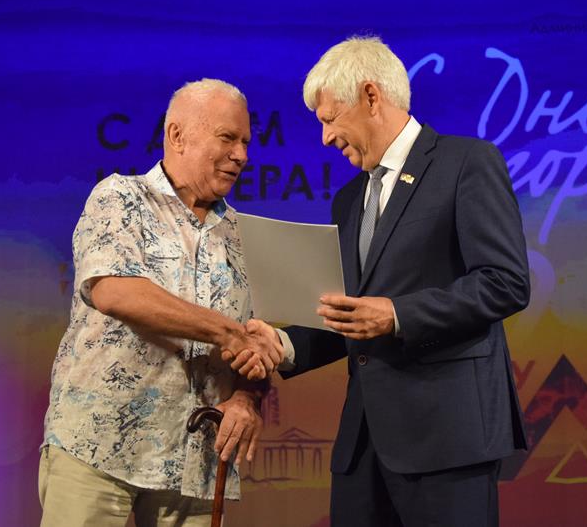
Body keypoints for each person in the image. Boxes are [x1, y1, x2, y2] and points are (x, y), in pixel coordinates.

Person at [253, 36, 530, 526]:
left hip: (447, 439)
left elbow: (504, 281)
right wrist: (283, 344)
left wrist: (399, 315)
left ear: (370, 96)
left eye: (329, 119)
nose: (324, 138)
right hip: (364, 447)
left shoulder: (466, 163)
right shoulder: (347, 200)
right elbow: (353, 314)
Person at [40, 78, 284, 527]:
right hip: (100, 447)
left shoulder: (244, 236)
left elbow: (256, 344)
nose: (242, 155)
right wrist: (227, 332)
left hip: (196, 462)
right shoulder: (120, 198)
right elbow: (115, 291)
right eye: (227, 138)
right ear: (177, 135)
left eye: (246, 142)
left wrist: (246, 398)